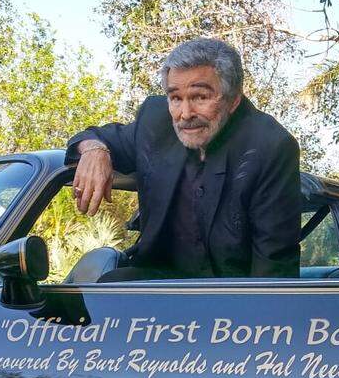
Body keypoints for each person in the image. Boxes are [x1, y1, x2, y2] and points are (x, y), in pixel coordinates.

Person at [66, 38, 301, 279]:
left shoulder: (271, 146)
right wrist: (95, 150)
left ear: (233, 101)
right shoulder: (154, 121)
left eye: (200, 97)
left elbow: (273, 270)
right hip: (154, 288)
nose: (185, 114)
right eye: (175, 98)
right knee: (98, 290)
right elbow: (96, 136)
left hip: (231, 297)